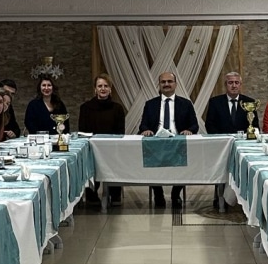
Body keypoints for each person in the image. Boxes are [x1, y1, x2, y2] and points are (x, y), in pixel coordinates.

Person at [139, 71, 198, 208]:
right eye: (163, 82)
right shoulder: (150, 104)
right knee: (151, 164)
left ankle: (175, 194)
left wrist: (189, 130)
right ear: (159, 84)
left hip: (178, 142)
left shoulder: (186, 103)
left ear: (175, 84)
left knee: (184, 165)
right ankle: (158, 194)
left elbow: (194, 124)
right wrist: (146, 130)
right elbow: (143, 124)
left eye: (169, 81)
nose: (166, 84)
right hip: (156, 143)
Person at [79, 74, 127, 205]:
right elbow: (82, 131)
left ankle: (115, 194)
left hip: (112, 149)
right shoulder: (85, 108)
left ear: (110, 89)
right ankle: (91, 195)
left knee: (115, 162)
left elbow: (120, 132)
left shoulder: (117, 108)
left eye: (106, 86)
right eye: (100, 86)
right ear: (95, 89)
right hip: (92, 149)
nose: (103, 88)